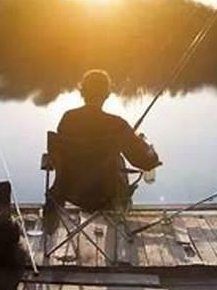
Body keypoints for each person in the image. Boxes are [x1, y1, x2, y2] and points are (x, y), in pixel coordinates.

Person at [52, 69, 160, 211]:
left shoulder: (68, 119)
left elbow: (59, 156)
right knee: (119, 163)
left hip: (70, 190)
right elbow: (146, 162)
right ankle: (118, 223)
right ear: (107, 95)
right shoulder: (117, 125)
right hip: (107, 195)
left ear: (82, 92)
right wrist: (141, 143)